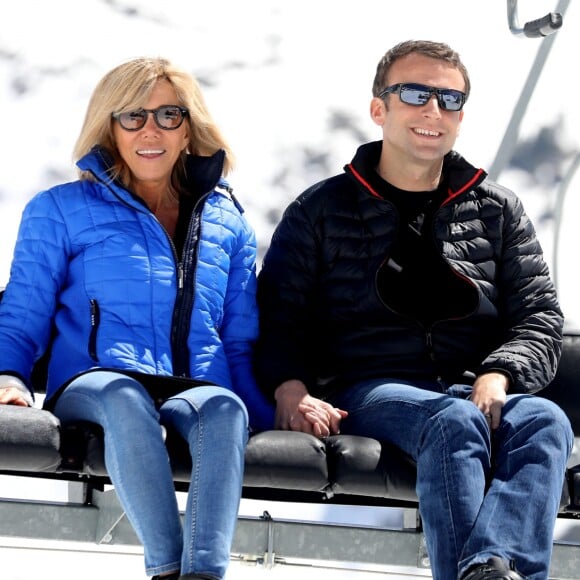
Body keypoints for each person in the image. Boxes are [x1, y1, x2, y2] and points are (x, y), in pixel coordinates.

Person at [254, 40, 573, 580]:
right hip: (370, 388)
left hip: (474, 386)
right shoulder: (321, 210)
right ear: (380, 108)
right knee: (453, 422)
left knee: (545, 419)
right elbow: (279, 317)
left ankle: (491, 569)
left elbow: (539, 315)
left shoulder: (496, 209)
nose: (434, 110)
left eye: (450, 98)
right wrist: (291, 387)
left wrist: (500, 372)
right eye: (415, 93)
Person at [0, 56, 274, 580]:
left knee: (222, 407)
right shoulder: (59, 209)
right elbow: (23, 311)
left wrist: (267, 411)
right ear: (109, 127)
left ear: (189, 127)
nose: (151, 130)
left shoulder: (226, 223)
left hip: (194, 386)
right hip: (95, 380)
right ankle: (168, 569)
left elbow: (239, 339)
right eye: (133, 116)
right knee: (125, 397)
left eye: (169, 115)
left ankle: (201, 573)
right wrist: (8, 375)